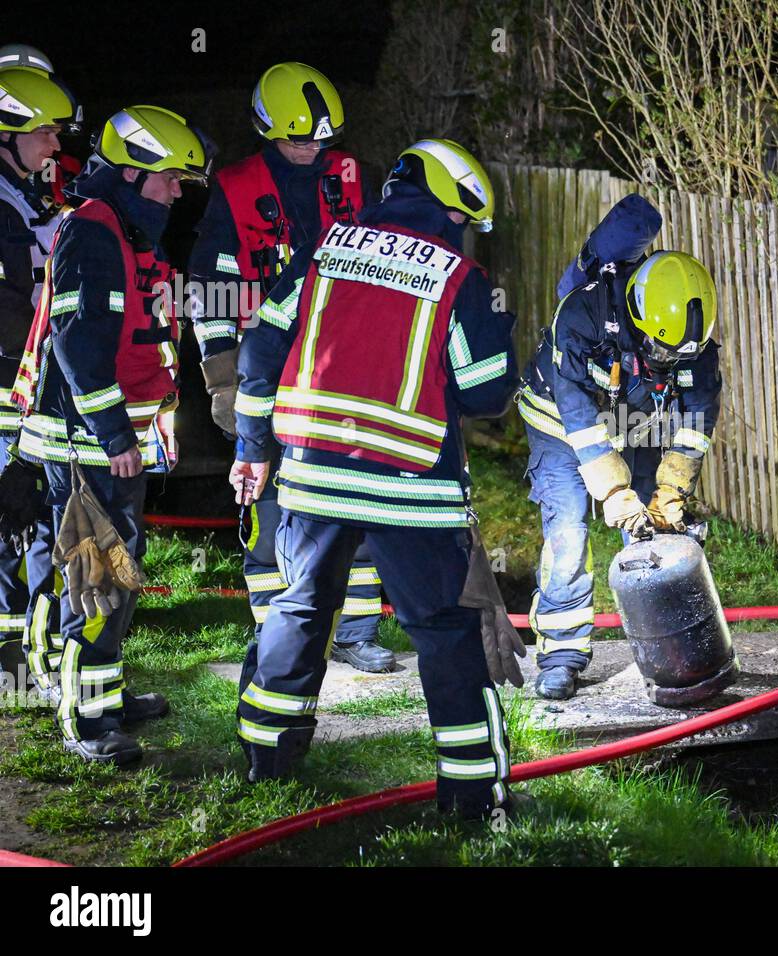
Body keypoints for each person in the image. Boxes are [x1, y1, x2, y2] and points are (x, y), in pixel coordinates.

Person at [230, 139, 519, 814]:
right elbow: (484, 391)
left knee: (300, 605)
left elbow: (261, 345)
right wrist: (494, 332)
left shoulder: (326, 249)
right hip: (410, 487)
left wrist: (252, 446)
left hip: (310, 477)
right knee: (446, 631)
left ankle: (264, 758)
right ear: (454, 207)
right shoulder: (455, 276)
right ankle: (473, 793)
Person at [12, 105, 211, 764]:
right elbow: (77, 346)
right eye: (171, 179)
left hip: (113, 441)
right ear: (133, 172)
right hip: (90, 441)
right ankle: (87, 722)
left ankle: (104, 693)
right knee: (97, 576)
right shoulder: (95, 233)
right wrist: (115, 434)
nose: (178, 192)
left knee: (112, 575)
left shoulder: (125, 230)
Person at [189, 62, 391, 673]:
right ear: (267, 128)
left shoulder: (352, 177)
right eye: (299, 137)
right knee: (269, 499)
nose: (311, 149)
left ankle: (355, 630)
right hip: (265, 366)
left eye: (321, 139)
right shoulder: (235, 187)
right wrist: (222, 378)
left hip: (341, 366)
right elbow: (208, 288)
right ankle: (279, 636)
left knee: (351, 494)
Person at [518, 216, 723, 701]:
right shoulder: (582, 316)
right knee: (568, 530)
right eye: (661, 351)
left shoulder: (693, 345)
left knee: (654, 532)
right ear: (637, 316)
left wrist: (669, 494)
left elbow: (695, 426)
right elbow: (579, 420)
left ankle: (669, 650)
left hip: (629, 422)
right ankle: (561, 654)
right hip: (558, 422)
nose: (670, 362)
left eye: (680, 356)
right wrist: (615, 493)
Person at [0, 60, 81, 698]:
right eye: (46, 132)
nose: (57, 144)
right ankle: (13, 666)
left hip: (21, 382)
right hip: (6, 382)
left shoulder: (24, 195)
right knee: (11, 518)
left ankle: (29, 653)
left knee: (27, 521)